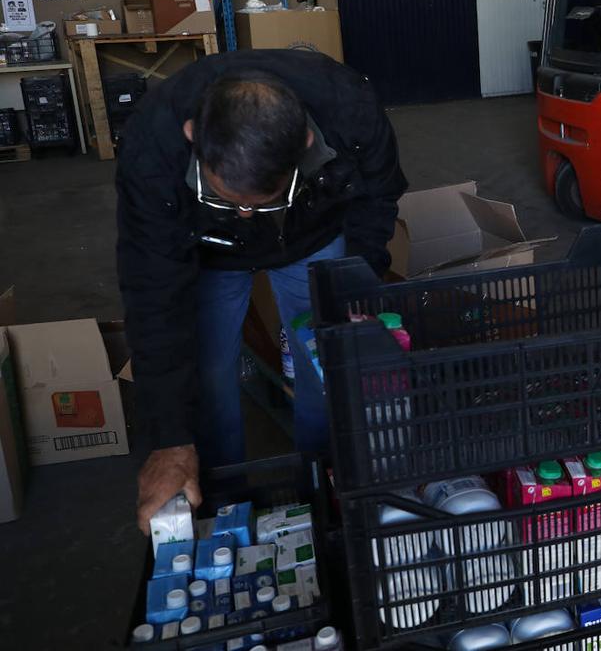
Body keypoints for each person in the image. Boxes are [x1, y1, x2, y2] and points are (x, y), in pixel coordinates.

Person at [117, 50, 407, 533]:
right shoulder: (154, 145)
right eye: (229, 197)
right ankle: (224, 499)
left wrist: (356, 283)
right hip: (207, 250)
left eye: (263, 199)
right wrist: (169, 440)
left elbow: (377, 197)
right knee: (208, 372)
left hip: (309, 234)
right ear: (193, 136)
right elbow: (153, 293)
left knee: (326, 359)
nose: (246, 215)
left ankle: (324, 478)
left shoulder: (349, 110)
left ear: (306, 144)